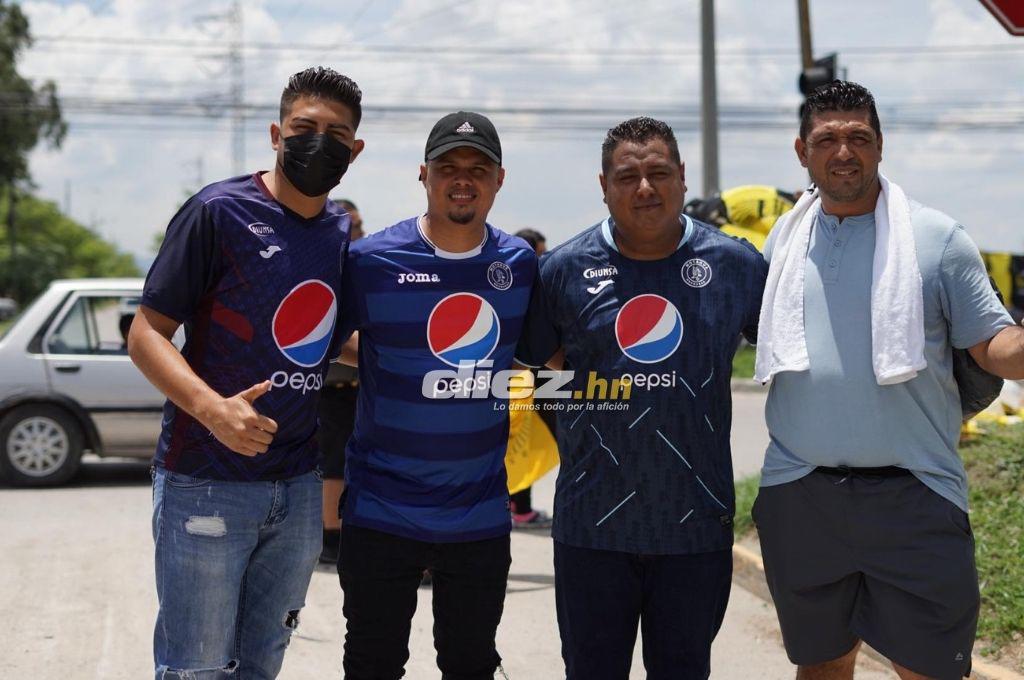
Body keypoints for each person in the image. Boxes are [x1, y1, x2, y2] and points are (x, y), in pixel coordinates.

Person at [752, 80, 1024, 680]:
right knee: (823, 666)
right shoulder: (783, 240)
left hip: (916, 495)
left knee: (929, 670)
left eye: (859, 138)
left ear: (881, 147)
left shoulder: (937, 239)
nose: (843, 151)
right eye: (827, 139)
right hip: (801, 493)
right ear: (803, 151)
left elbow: (993, 344)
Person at [127, 66, 365, 679]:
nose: (319, 142)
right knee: (198, 668)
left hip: (299, 485)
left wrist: (437, 363)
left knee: (262, 664)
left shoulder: (340, 230)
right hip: (205, 480)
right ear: (275, 134)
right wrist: (213, 410)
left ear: (355, 150)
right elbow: (146, 332)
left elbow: (330, 340)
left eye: (336, 133)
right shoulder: (218, 211)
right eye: (304, 127)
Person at [516, 117, 768, 679]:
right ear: (603, 185)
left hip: (695, 529)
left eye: (658, 173)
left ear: (682, 177)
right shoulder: (562, 270)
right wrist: (592, 411)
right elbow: (540, 365)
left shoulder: (737, 267)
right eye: (627, 176)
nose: (645, 188)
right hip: (591, 530)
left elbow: (787, 358)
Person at [334, 111, 535, 679]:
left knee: (471, 665)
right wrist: (382, 361)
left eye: (478, 168)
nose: (462, 178)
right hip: (381, 511)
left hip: (478, 517)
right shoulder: (371, 261)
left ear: (499, 180)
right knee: (372, 665)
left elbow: (542, 354)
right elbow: (327, 339)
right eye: (448, 167)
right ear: (424, 175)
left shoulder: (518, 265)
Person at [319, 198, 364, 565]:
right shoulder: (329, 264)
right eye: (353, 224)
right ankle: (331, 537)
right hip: (333, 387)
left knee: (348, 462)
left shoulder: (361, 264)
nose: (359, 231)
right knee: (334, 463)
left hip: (358, 387)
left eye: (361, 225)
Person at [508, 227, 555, 530]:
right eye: (542, 250)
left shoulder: (506, 280)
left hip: (523, 375)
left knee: (522, 440)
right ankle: (519, 506)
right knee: (529, 440)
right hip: (532, 376)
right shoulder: (533, 283)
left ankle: (517, 504)